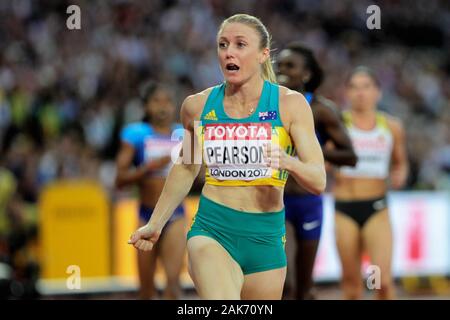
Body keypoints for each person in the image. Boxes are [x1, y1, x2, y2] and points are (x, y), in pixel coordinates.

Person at [128, 14, 326, 300]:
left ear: (263, 54)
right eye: (223, 45)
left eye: (240, 44)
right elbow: (186, 167)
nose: (229, 52)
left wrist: (287, 162)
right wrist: (156, 223)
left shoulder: (290, 105)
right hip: (212, 228)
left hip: (266, 236)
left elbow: (318, 180)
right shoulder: (197, 106)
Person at [276, 42, 357, 300]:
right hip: (274, 201)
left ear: (307, 74)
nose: (282, 71)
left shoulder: (321, 110)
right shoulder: (265, 106)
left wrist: (311, 152)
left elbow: (350, 156)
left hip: (308, 200)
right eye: (279, 66)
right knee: (283, 283)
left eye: (290, 66)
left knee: (303, 286)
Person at [334, 66, 408, 300]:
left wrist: (399, 174)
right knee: (351, 285)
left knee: (383, 283)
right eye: (354, 87)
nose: (360, 93)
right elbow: (322, 160)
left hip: (377, 208)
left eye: (366, 87)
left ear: (378, 92)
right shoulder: (337, 125)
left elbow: (400, 163)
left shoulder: (392, 127)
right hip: (344, 209)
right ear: (346, 92)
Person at [115, 82, 186, 299]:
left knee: (173, 286)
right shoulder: (135, 134)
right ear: (146, 107)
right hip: (145, 214)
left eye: (167, 102)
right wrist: (150, 167)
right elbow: (120, 179)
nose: (163, 107)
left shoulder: (184, 134)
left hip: (175, 215)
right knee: (146, 290)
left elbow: (198, 177)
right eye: (156, 101)